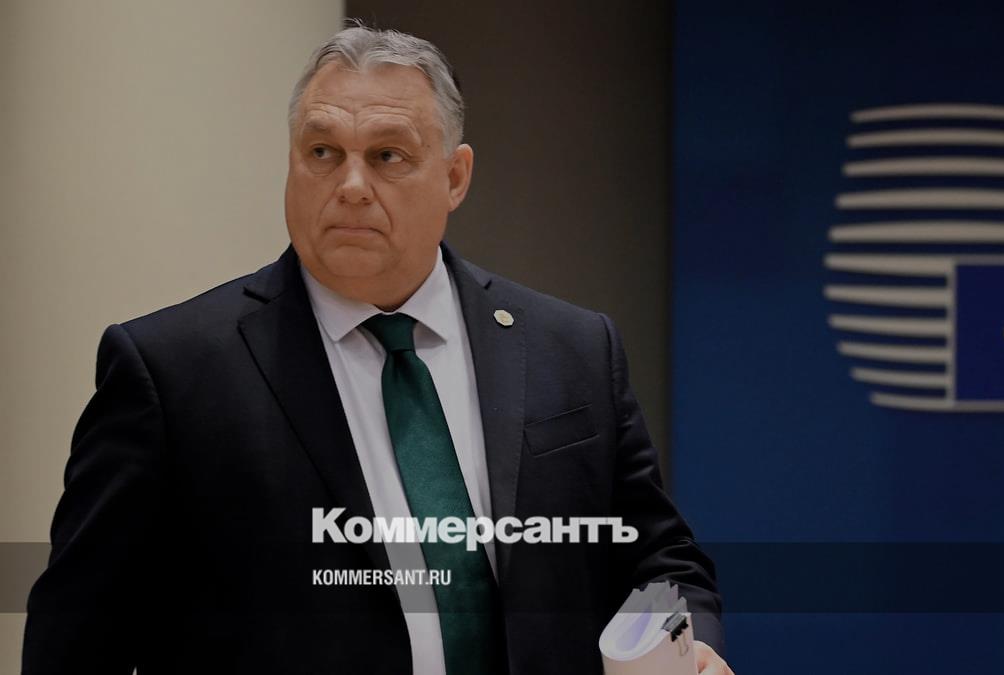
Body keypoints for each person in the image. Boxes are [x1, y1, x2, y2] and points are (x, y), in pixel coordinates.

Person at [23, 25, 731, 675]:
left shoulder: (570, 349)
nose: (351, 186)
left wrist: (690, 646)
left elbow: (658, 556)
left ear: (455, 177)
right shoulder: (172, 372)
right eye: (322, 153)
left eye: (388, 156)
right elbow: (76, 639)